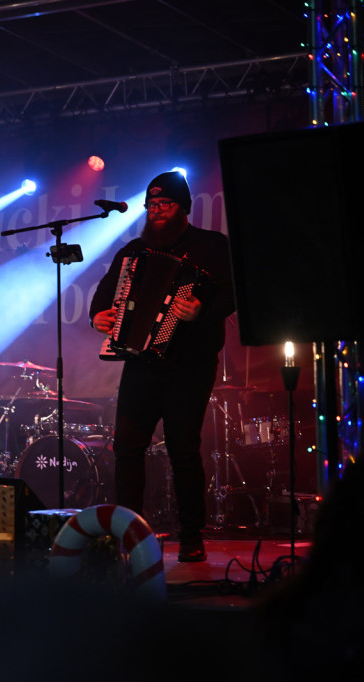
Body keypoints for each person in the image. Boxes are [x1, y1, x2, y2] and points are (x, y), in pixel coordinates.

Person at [89, 171, 235, 562]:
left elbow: (234, 294)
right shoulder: (133, 252)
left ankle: (191, 535)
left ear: (183, 207)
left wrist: (203, 310)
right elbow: (103, 296)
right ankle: (130, 532)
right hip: (141, 363)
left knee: (183, 449)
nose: (156, 212)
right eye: (151, 206)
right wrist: (97, 316)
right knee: (127, 448)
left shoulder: (212, 245)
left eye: (164, 205)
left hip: (190, 364)